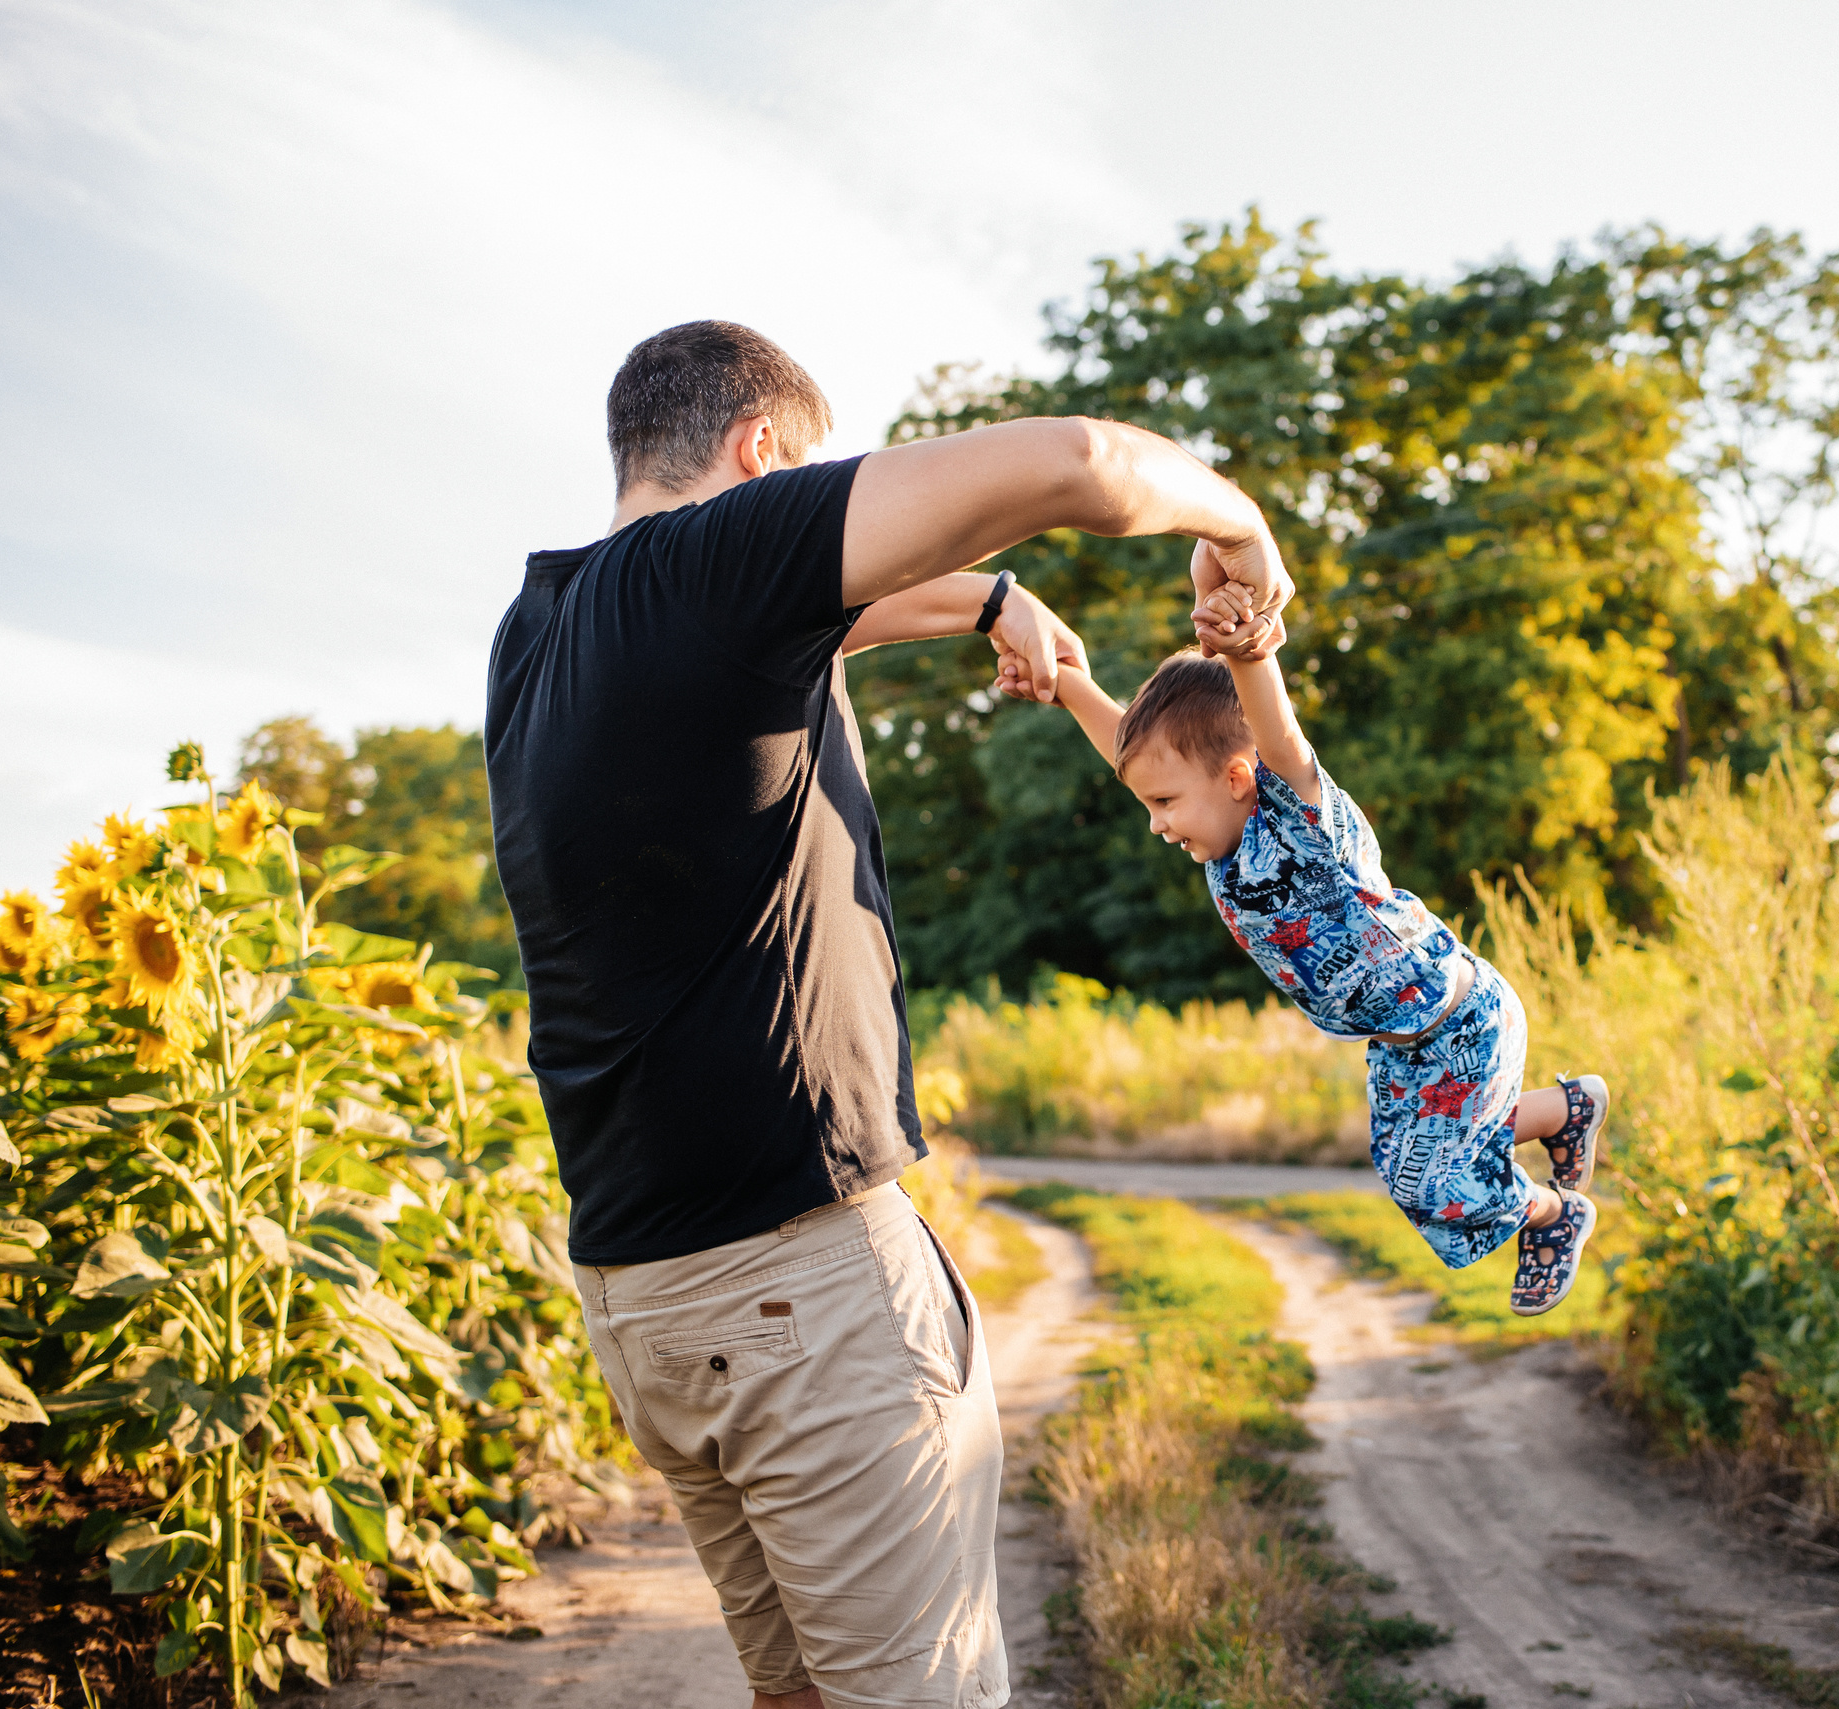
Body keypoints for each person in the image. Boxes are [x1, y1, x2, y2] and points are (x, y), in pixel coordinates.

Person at [484, 320, 1292, 1709]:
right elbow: (1083, 462)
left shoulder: (540, 633)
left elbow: (836, 609)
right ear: (760, 455)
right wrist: (1241, 526)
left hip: (641, 1297)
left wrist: (988, 604)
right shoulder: (715, 559)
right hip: (800, 1290)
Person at [1016, 585, 1609, 1315]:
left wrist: (1247, 652)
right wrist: (1066, 680)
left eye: (1165, 804)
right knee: (1407, 1169)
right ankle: (1564, 1109)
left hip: (1460, 1016)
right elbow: (1131, 749)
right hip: (1403, 1048)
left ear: (1236, 778)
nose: (1155, 824)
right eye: (1150, 804)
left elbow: (1280, 734)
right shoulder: (1221, 845)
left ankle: (1557, 1215)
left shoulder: (1298, 820)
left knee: (1440, 1182)